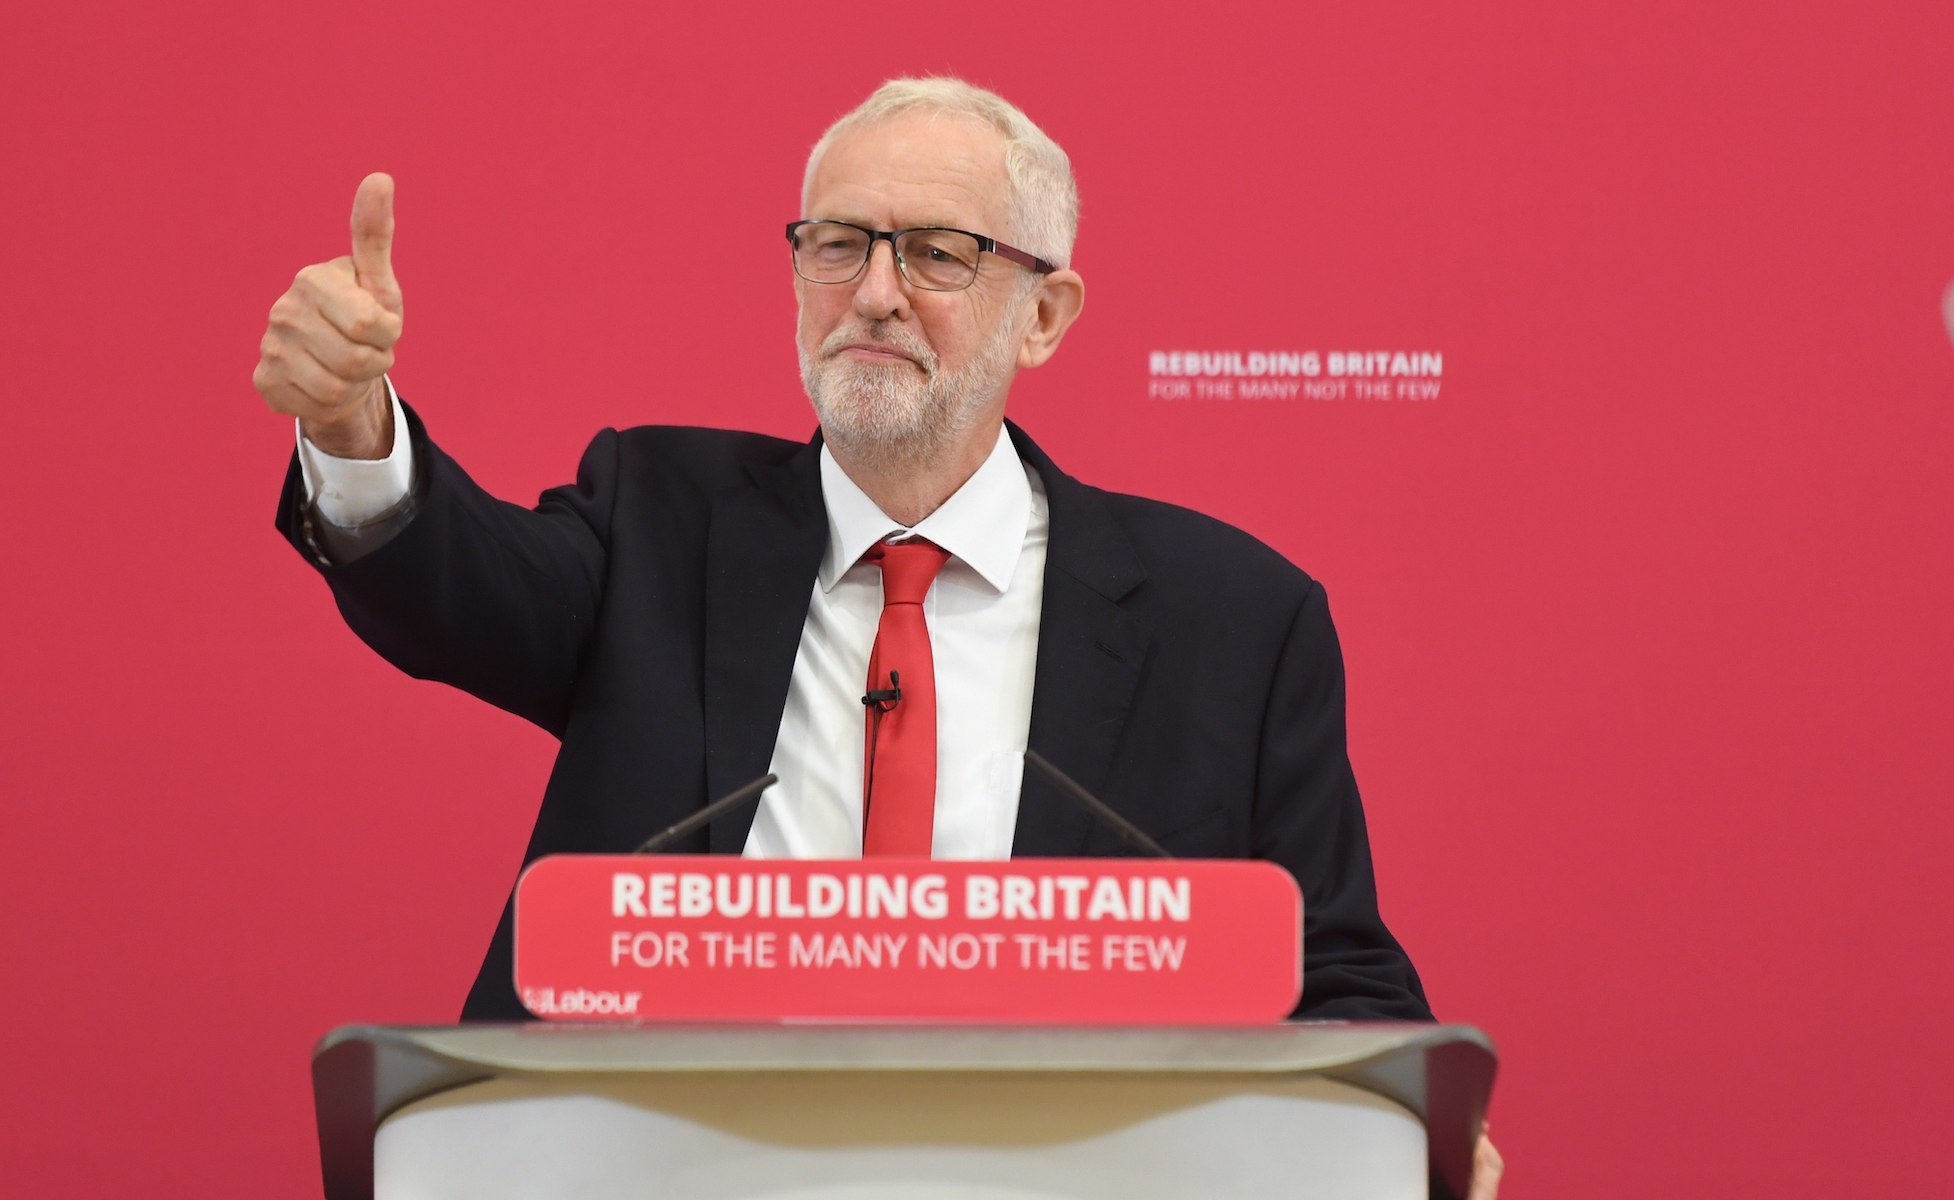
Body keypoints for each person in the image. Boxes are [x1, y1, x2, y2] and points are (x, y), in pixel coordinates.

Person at [254, 77, 1501, 1194]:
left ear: (1047, 314)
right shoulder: (657, 518)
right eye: (839, 245)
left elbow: (1328, 967)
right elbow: (458, 584)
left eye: (939, 255)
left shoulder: (1232, 618)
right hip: (659, 1164)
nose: (876, 294)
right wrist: (356, 428)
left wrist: (1405, 1127)